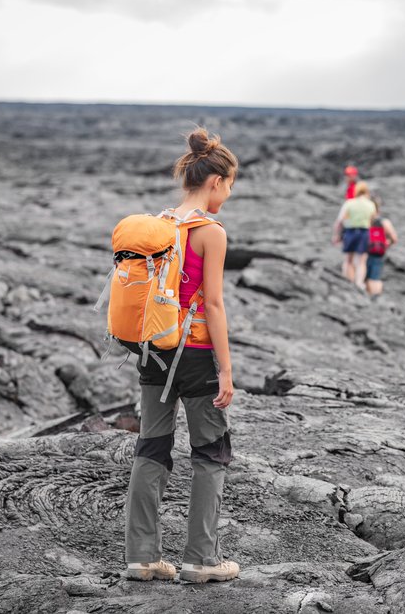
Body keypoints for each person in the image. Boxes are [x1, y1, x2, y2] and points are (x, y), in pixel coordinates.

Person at [124, 128, 240, 584]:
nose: (228, 195)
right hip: (195, 355)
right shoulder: (210, 232)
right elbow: (214, 305)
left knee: (151, 446)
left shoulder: (159, 225)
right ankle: (200, 559)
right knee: (210, 452)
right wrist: (226, 369)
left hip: (153, 351)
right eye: (229, 185)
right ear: (215, 181)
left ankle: (142, 558)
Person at [332, 181, 377, 288]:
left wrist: (336, 235)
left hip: (350, 232)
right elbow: (373, 220)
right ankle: (359, 283)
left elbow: (339, 221)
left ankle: (346, 281)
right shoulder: (370, 204)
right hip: (364, 232)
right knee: (361, 261)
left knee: (348, 260)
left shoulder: (349, 203)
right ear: (367, 191)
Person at [365, 197, 399, 298]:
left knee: (366, 277)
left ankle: (368, 297)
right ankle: (375, 298)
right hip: (378, 253)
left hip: (364, 252)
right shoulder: (384, 222)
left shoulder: (364, 221)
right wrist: (386, 244)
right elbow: (394, 238)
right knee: (375, 277)